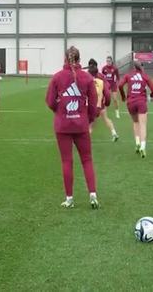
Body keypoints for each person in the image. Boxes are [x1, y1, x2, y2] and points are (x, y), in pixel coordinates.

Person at [45, 46, 99, 209]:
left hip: (63, 126)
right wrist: (88, 119)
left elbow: (50, 101)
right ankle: (93, 195)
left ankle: (69, 198)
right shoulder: (87, 78)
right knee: (87, 159)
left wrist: (60, 111)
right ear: (79, 59)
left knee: (66, 161)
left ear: (65, 59)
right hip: (81, 125)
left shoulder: (57, 77)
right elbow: (94, 104)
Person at [118, 60, 153, 157]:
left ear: (133, 68)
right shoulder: (145, 76)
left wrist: (123, 96)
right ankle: (143, 147)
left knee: (135, 122)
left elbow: (120, 85)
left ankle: (137, 143)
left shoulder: (128, 75)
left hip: (130, 102)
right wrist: (151, 96)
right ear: (141, 67)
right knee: (143, 124)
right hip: (141, 102)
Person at [87, 59, 118, 142]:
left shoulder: (87, 76)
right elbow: (107, 88)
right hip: (101, 104)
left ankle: (84, 141)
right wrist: (106, 99)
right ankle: (114, 133)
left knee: (90, 124)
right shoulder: (101, 76)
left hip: (91, 105)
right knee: (106, 119)